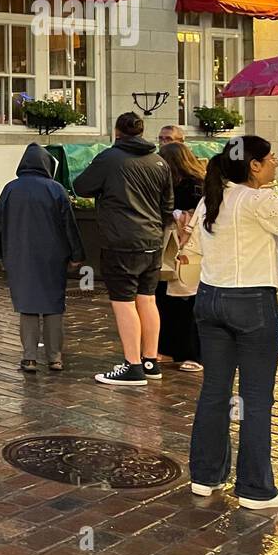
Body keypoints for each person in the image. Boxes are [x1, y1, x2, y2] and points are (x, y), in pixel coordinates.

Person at [182, 136, 278, 510]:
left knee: (214, 391)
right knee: (256, 397)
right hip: (252, 303)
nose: (276, 159)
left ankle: (205, 476)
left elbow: (190, 249)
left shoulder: (212, 198)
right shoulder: (261, 201)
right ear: (254, 165)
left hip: (210, 300)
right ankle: (255, 488)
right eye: (270, 156)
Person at [74, 111, 173, 387]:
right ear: (142, 132)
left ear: (117, 131)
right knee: (148, 299)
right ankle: (150, 361)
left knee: (123, 302)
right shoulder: (159, 161)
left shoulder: (109, 158)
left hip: (121, 242)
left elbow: (81, 186)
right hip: (151, 241)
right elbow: (168, 206)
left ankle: (132, 365)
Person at [0, 144, 85, 372]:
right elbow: (69, 225)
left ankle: (30, 357)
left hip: (19, 255)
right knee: (54, 306)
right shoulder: (56, 189)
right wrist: (77, 254)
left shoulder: (10, 189)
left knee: (27, 305)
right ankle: (55, 357)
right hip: (52, 256)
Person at [155, 141, 204, 372]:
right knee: (167, 300)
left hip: (186, 248)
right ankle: (169, 349)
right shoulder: (180, 184)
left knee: (185, 301)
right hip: (176, 248)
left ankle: (191, 353)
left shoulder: (194, 186)